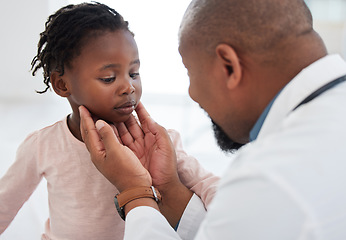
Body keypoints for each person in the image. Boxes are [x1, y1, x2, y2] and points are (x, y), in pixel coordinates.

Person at [80, 0, 346, 239]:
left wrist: (135, 192)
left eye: (190, 72)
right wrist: (169, 189)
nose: (193, 94)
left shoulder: (270, 177)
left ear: (229, 66)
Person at [0, 3, 220, 240]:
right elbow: (5, 204)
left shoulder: (159, 142)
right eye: (108, 78)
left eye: (134, 73)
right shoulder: (42, 145)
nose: (128, 87)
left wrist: (236, 214)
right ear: (62, 85)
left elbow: (210, 187)